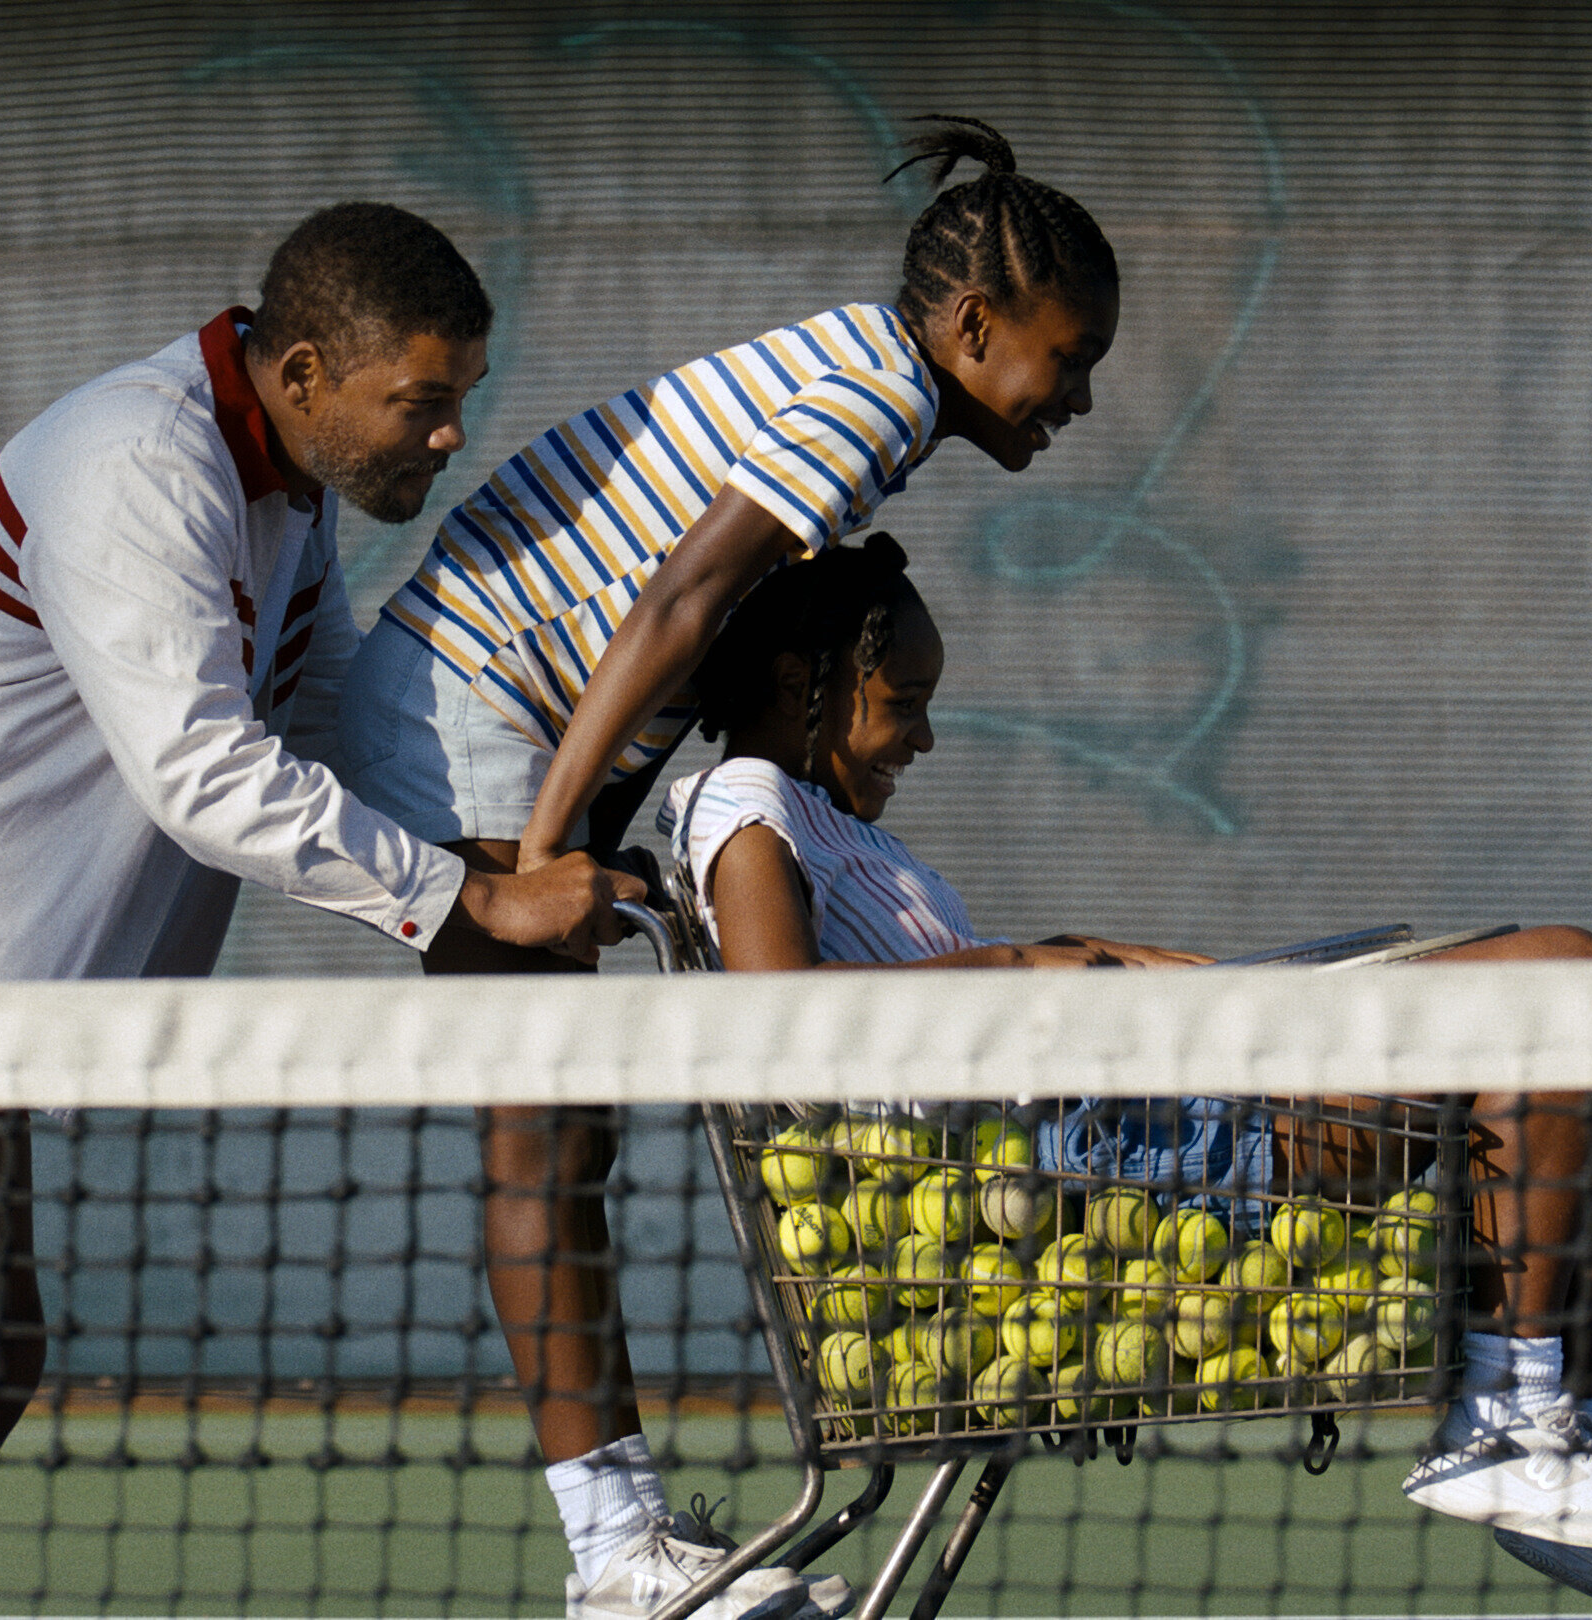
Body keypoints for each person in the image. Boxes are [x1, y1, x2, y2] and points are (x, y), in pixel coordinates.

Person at [0, 203, 637, 1620]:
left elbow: (318, 721)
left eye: (458, 401)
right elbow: (205, 773)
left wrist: (491, 866)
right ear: (310, 373)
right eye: (423, 401)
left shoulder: (287, 497)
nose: (448, 435)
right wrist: (471, 899)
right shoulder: (138, 459)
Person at [657, 535, 1592, 1620]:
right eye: (904, 701)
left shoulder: (830, 820)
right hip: (1109, 1168)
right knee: (1565, 980)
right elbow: (787, 1031)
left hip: (1128, 1117)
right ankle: (1507, 1422)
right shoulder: (741, 803)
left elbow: (942, 983)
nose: (927, 737)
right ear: (804, 682)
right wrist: (1036, 965)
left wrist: (1098, 952)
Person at [333, 118, 1117, 1620]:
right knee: (545, 1139)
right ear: (971, 329)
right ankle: (613, 1556)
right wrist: (550, 847)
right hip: (478, 711)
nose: (1075, 398)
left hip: (527, 722)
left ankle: (619, 1541)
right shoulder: (874, 399)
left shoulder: (867, 390)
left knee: (561, 1141)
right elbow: (681, 600)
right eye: (1065, 358)